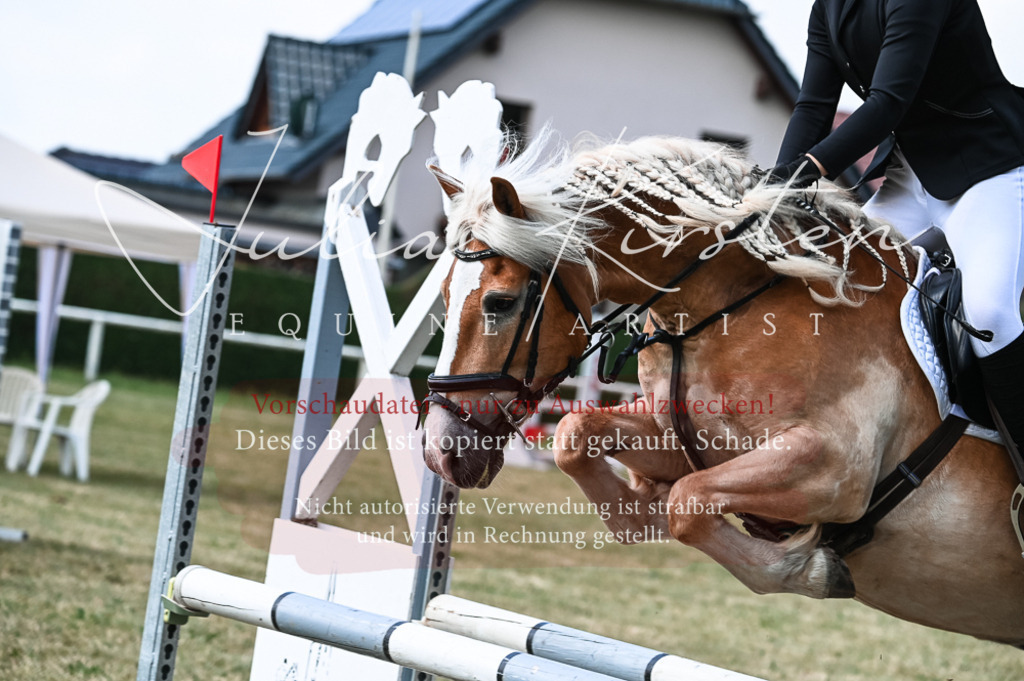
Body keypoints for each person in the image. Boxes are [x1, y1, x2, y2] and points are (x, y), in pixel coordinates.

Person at [770, 0, 1024, 459]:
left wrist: (803, 172)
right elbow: (813, 105)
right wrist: (773, 188)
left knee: (990, 315)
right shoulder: (827, 8)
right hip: (912, 175)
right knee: (832, 277)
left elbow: (888, 102)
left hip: (987, 168)